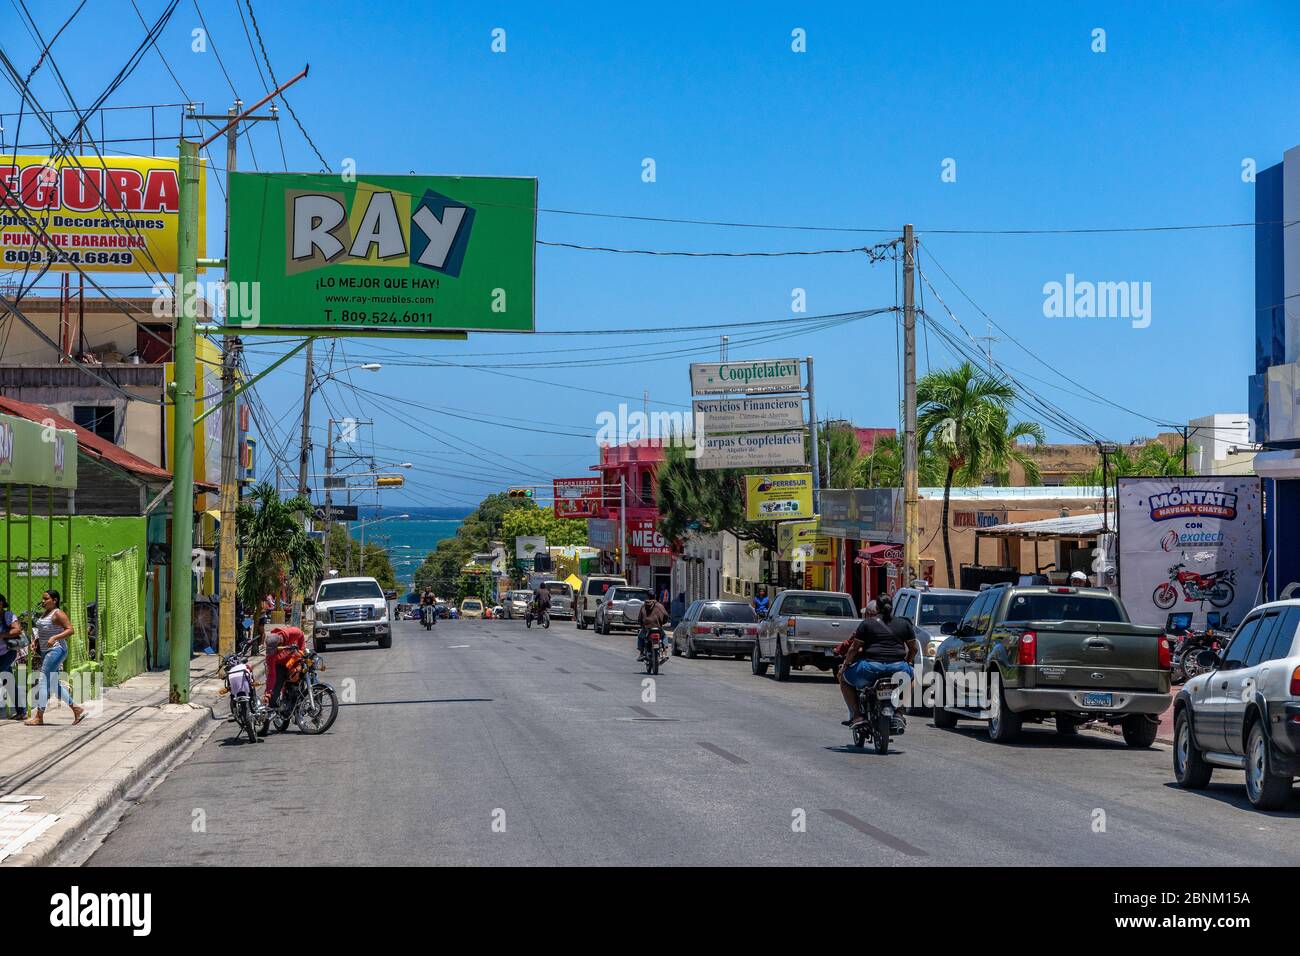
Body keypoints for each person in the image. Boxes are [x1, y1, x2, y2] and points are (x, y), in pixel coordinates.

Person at [837, 594, 918, 730]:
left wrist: (844, 666)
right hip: (898, 668)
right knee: (913, 678)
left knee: (844, 680)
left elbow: (853, 648)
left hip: (869, 668)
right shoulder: (904, 624)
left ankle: (856, 716)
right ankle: (899, 712)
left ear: (877, 608)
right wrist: (907, 663)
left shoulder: (867, 624)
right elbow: (914, 649)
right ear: (892, 607)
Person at [25, 589, 86, 726]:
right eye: (43, 598)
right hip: (47, 650)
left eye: (46, 599)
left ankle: (39, 717)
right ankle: (76, 709)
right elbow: (46, 629)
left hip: (56, 649)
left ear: (55, 600)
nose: (43, 601)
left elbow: (70, 630)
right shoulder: (45, 613)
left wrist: (54, 637)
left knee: (42, 680)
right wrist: (35, 641)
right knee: (53, 684)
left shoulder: (58, 613)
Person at [0, 594, 25, 720]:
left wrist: (2, 635)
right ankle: (21, 711)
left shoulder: (8, 615)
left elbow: (17, 630)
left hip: (7, 652)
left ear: (2, 604)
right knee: (8, 681)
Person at [636, 594, 670, 661]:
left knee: (640, 637)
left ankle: (641, 653)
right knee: (664, 636)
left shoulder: (643, 606)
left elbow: (639, 619)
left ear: (647, 597)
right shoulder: (660, 606)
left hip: (647, 628)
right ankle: (664, 652)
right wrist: (661, 623)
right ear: (655, 596)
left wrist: (642, 625)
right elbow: (666, 616)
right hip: (657, 628)